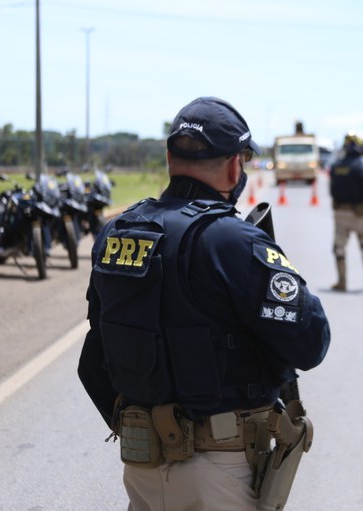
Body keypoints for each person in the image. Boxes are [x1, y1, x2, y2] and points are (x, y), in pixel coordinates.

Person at [77, 96, 331, 510]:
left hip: (141, 465)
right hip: (219, 469)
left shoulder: (119, 230)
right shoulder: (232, 240)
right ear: (235, 165)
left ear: (169, 158)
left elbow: (98, 348)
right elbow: (311, 342)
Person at [328, 131, 363, 291]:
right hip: (358, 214)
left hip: (340, 213)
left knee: (339, 248)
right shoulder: (362, 167)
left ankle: (342, 282)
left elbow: (332, 190)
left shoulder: (336, 166)